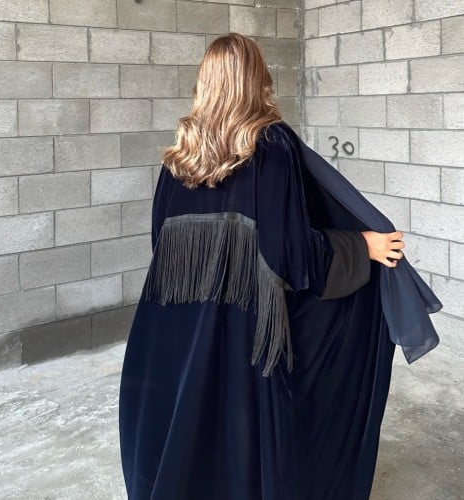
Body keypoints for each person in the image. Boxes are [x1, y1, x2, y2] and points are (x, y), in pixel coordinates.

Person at [119, 33, 442, 500]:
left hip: (168, 333)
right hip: (241, 335)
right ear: (257, 79)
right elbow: (291, 256)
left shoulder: (179, 156)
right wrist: (361, 247)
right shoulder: (270, 144)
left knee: (193, 431)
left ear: (204, 82)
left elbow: (163, 247)